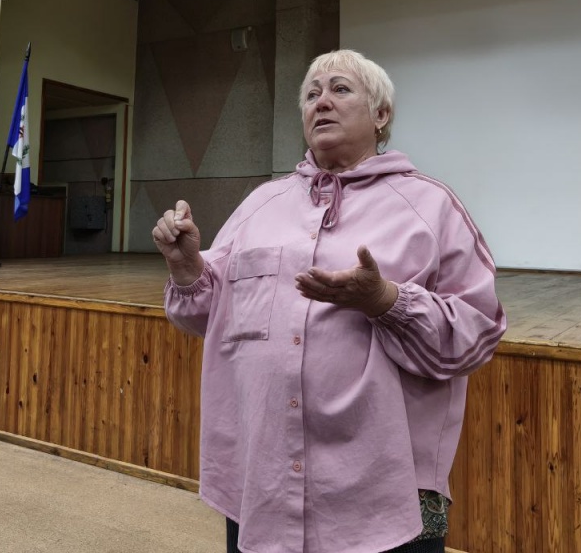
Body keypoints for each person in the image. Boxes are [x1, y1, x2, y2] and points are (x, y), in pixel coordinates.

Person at [154, 49, 506, 553]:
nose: (322, 102)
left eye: (340, 89)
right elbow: (199, 318)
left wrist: (385, 300)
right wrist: (186, 267)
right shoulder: (260, 206)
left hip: (382, 494)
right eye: (311, 95)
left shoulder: (431, 206)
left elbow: (477, 333)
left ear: (381, 115)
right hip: (264, 483)